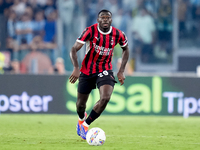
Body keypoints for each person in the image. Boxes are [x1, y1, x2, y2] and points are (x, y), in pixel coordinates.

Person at [69, 9, 129, 140]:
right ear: (98, 20)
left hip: (105, 70)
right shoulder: (90, 31)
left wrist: (121, 70)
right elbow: (74, 48)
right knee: (80, 105)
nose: (105, 19)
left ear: (111, 20)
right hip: (87, 70)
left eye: (108, 17)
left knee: (105, 98)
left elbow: (126, 49)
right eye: (102, 17)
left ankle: (86, 124)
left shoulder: (119, 34)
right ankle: (81, 118)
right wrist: (76, 68)